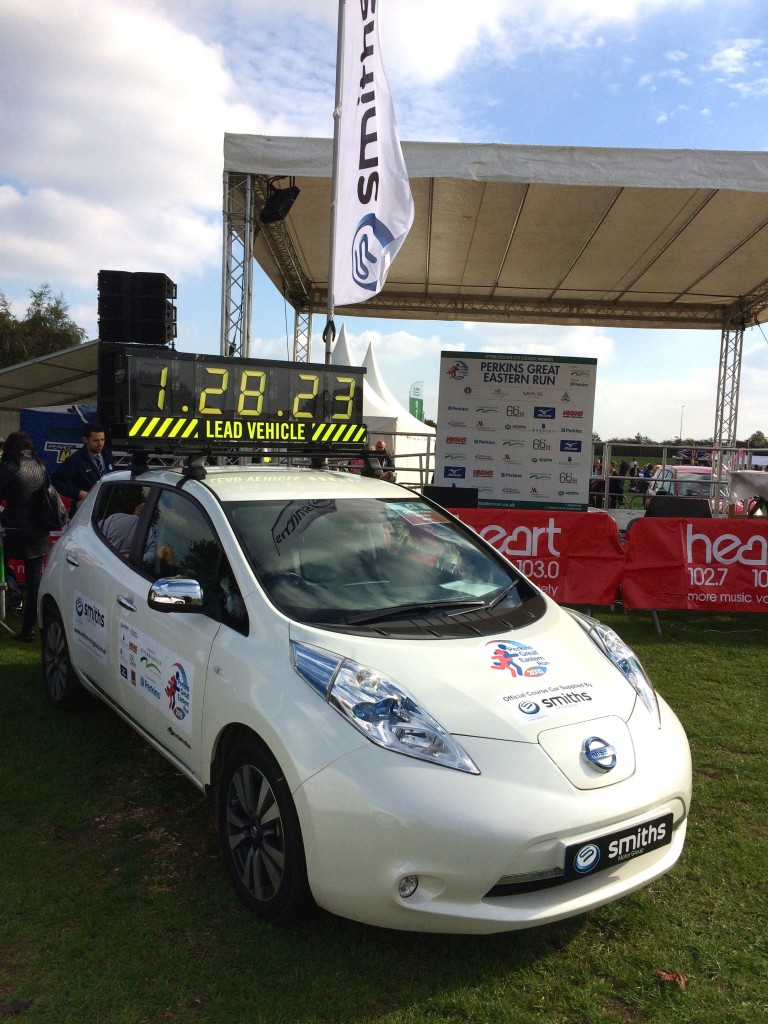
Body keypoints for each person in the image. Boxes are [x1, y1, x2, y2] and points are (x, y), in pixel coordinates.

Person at [0, 431, 52, 641]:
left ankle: (11, 604)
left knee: (2, 568)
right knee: (34, 582)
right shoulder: (40, 466)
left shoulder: (8, 468)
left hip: (12, 529)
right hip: (38, 530)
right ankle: (30, 627)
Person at [52, 421, 114, 512]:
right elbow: (55, 480)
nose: (100, 443)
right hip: (84, 510)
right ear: (86, 440)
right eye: (96, 440)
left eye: (102, 440)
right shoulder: (76, 460)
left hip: (106, 508)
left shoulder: (107, 455)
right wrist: (78, 493)